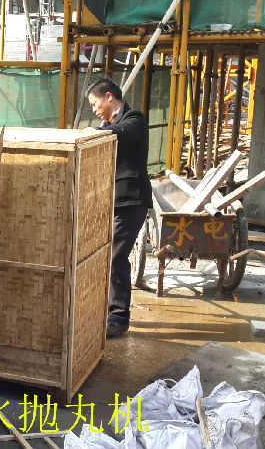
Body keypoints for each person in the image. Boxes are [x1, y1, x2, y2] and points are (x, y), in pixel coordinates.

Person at [86, 78, 153, 338]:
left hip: (132, 201)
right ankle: (106, 310)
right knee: (104, 255)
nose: (94, 110)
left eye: (95, 104)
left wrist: (95, 133)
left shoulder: (134, 119)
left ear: (109, 97)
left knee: (115, 255)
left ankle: (118, 317)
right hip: (112, 201)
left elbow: (123, 132)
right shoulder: (107, 127)